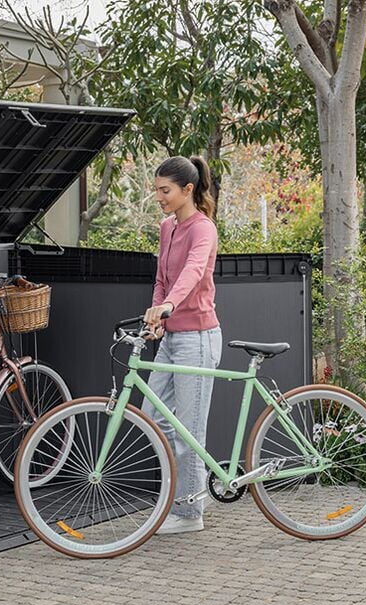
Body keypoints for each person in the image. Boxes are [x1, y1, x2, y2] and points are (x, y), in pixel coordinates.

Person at [143, 155, 222, 535]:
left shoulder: (202, 228)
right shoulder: (167, 227)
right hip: (172, 336)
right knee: (153, 418)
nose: (158, 196)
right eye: (157, 190)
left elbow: (192, 271)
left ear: (187, 190)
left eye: (165, 190)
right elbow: (162, 276)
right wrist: (158, 312)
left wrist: (171, 305)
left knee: (189, 430)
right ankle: (176, 500)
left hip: (199, 338)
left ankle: (190, 512)